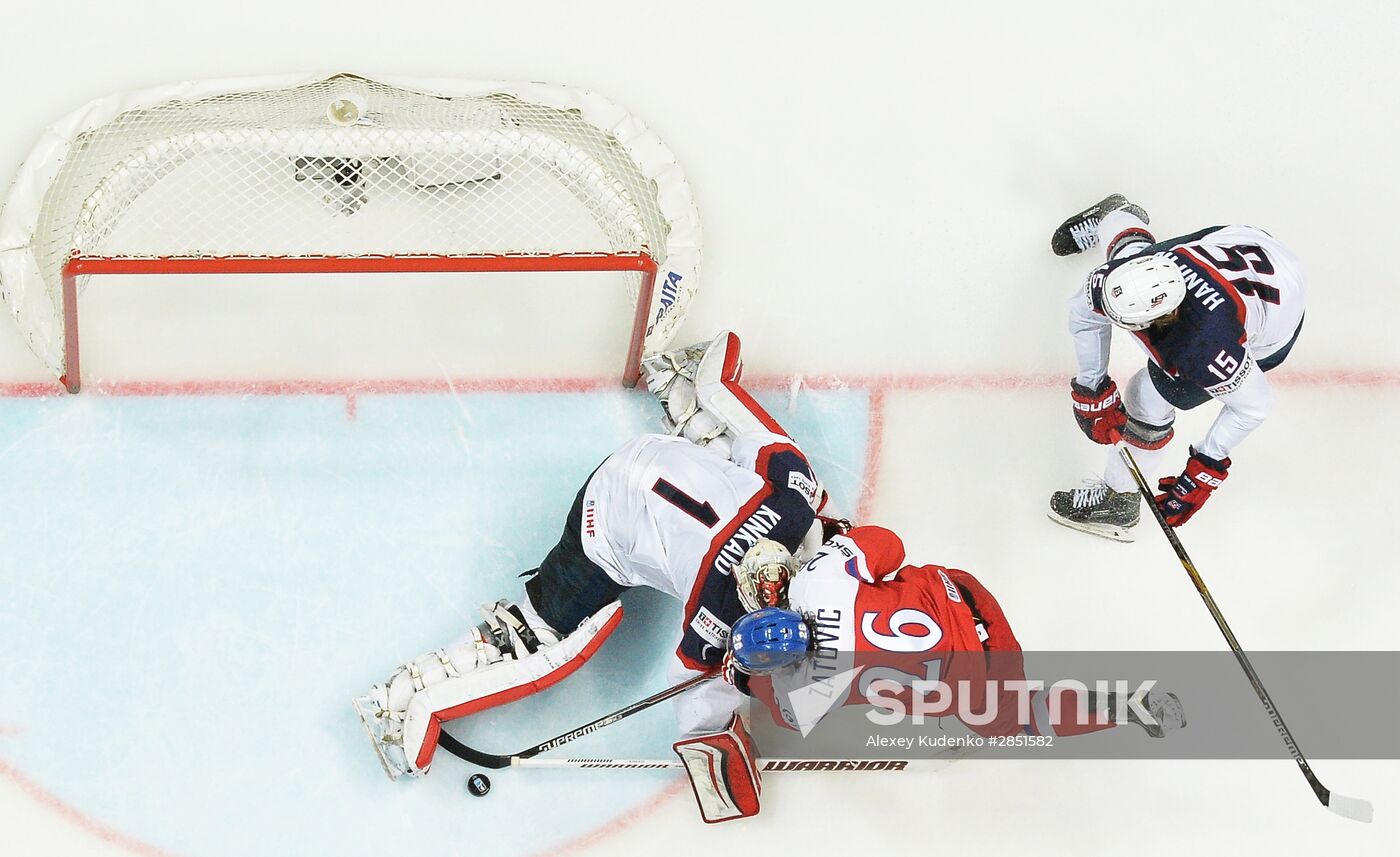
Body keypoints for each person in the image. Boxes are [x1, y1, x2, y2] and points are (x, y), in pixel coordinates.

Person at [353, 331, 836, 817]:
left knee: (755, 465)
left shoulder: (799, 498)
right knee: (542, 635)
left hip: (646, 457)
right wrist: (718, 735)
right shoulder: (721, 606)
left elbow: (766, 444)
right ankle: (399, 703)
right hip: (601, 524)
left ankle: (696, 389)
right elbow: (696, 705)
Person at [726, 526, 1185, 749]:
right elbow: (890, 542)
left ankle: (1135, 706)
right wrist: (839, 543)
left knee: (1007, 720)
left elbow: (776, 709)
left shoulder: (803, 692)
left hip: (984, 671)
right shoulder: (817, 579)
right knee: (898, 578)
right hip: (964, 590)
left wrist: (743, 676)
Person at [1046, 195, 1306, 541]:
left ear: (1165, 317)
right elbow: (1085, 313)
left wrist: (1206, 465)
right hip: (1243, 243)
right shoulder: (1123, 273)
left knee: (1146, 395)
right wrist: (1090, 386)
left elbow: (1255, 405)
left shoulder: (1205, 346)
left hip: (1276, 317)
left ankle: (1118, 499)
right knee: (1127, 244)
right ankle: (1116, 212)